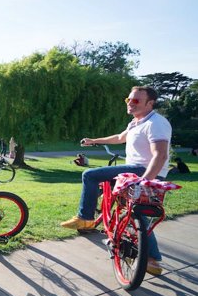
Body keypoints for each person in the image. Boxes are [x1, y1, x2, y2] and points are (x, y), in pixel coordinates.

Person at [60, 86, 171, 276]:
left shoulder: (156, 123)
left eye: (135, 100)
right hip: (135, 172)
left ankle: (85, 218)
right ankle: (151, 260)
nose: (130, 103)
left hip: (144, 171)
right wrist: (94, 140)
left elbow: (159, 156)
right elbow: (120, 138)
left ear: (150, 103)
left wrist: (144, 182)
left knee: (90, 175)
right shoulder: (136, 123)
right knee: (138, 214)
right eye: (128, 99)